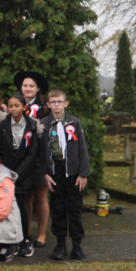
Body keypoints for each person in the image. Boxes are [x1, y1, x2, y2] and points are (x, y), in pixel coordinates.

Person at [41, 89, 90, 261]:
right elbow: (40, 152)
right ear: (48, 104)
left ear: (65, 103)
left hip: (73, 171)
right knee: (58, 208)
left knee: (75, 210)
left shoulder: (74, 123)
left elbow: (82, 149)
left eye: (59, 102)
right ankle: (60, 245)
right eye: (53, 102)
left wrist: (83, 173)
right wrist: (46, 174)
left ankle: (77, 246)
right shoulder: (44, 124)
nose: (56, 105)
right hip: (55, 171)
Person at [0, 94, 42, 257]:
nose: (13, 109)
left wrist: (19, 174)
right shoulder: (2, 126)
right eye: (10, 105)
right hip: (5, 172)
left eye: (16, 105)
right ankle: (7, 239)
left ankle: (24, 239)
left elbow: (32, 152)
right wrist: (6, 172)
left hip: (23, 173)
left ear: (23, 107)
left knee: (21, 205)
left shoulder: (32, 125)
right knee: (5, 205)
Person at [15, 71, 49, 244]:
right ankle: (26, 230)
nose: (28, 89)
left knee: (40, 196)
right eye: (25, 86)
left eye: (31, 86)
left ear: (37, 89)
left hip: (39, 157)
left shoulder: (44, 108)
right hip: (23, 157)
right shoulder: (15, 105)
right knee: (25, 196)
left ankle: (41, 234)